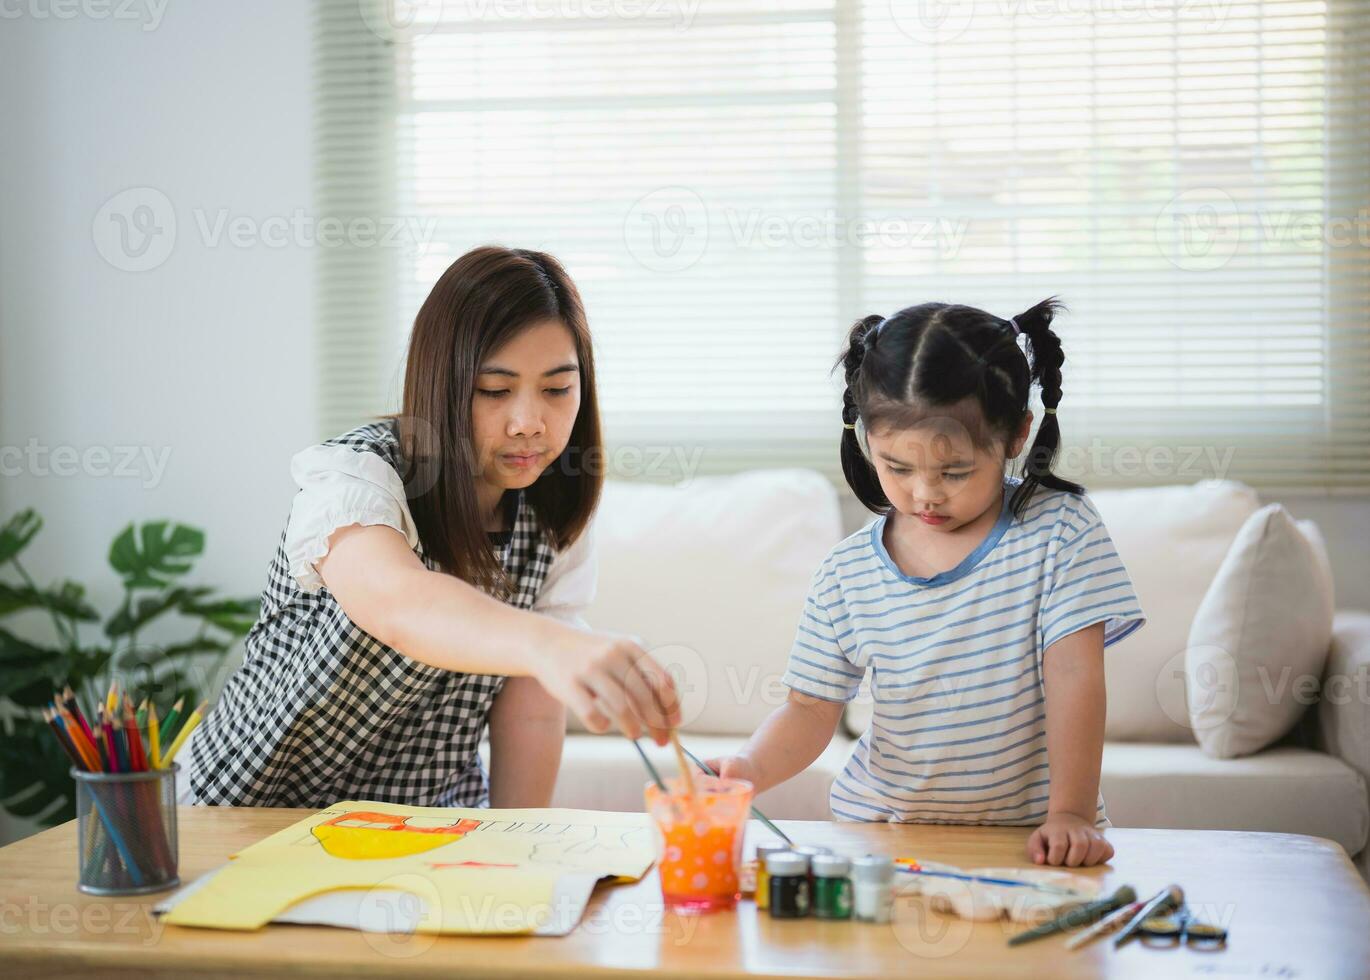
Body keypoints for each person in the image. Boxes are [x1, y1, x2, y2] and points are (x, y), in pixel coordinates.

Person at [177, 246, 680, 809]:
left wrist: (518, 854)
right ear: (443, 382)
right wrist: (553, 646)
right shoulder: (355, 476)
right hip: (246, 814)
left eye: (558, 389)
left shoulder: (552, 514)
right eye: (495, 390)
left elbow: (533, 712)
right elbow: (402, 606)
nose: (529, 423)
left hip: (418, 827)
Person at [708, 298, 1145, 867]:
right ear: (866, 439)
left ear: (1016, 435)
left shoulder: (1059, 531)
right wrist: (748, 769)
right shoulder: (847, 574)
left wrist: (1070, 815)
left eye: (955, 472)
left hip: (1034, 838)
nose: (925, 494)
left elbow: (1076, 678)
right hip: (884, 839)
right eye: (897, 467)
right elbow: (811, 709)